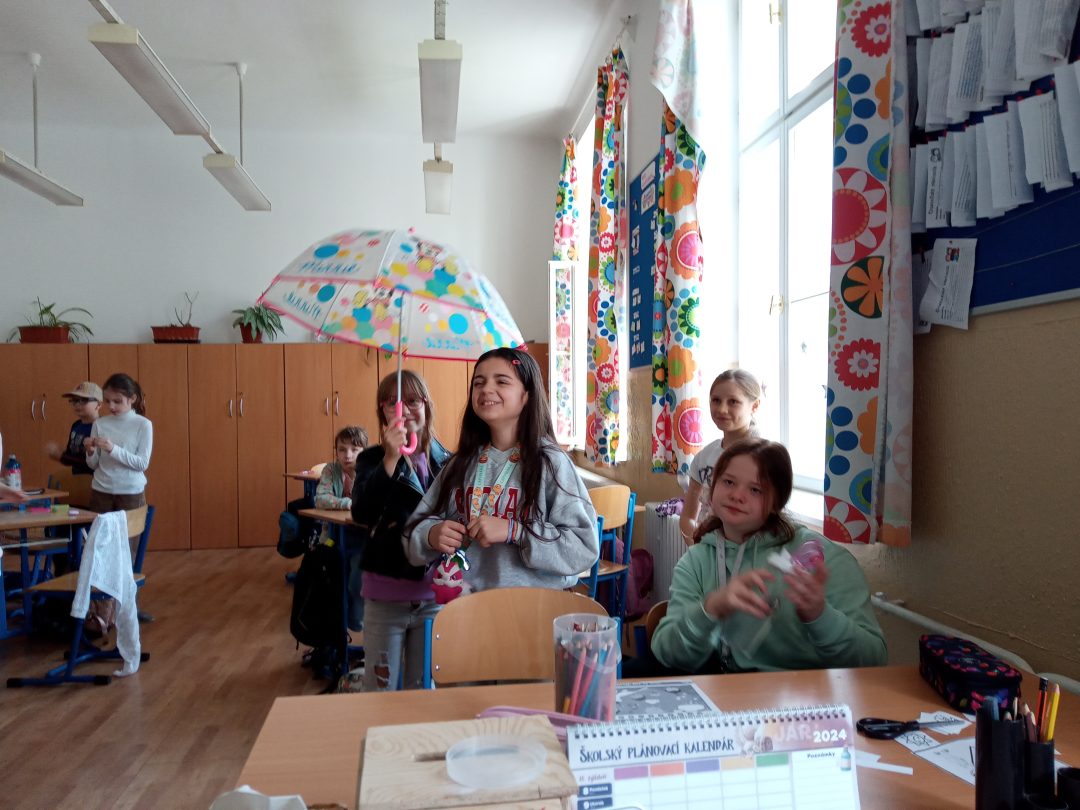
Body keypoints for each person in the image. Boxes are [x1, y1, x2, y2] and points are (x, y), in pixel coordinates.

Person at [652, 438, 886, 674]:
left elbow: (874, 659)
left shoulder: (820, 556)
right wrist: (710, 609)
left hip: (808, 692)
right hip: (728, 689)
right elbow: (668, 653)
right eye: (728, 482)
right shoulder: (696, 561)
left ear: (777, 502)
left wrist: (820, 615)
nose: (737, 495)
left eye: (755, 490)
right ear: (712, 490)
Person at [405, 348, 599, 598]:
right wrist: (431, 535)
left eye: (502, 381)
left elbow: (583, 548)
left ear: (526, 395)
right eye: (479, 383)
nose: (486, 389)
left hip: (534, 607)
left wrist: (516, 532)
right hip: (467, 606)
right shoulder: (460, 464)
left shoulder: (551, 463)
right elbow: (412, 532)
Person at [350, 371, 450, 691]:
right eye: (392, 403)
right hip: (385, 596)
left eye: (412, 401)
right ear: (382, 411)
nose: (403, 410)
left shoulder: (446, 462)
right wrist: (390, 460)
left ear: (426, 406)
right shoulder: (371, 460)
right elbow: (362, 513)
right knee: (380, 690)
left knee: (421, 689)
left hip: (433, 596)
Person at [680, 369, 762, 546]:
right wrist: (698, 549)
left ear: (754, 406)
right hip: (707, 551)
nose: (722, 409)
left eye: (733, 402)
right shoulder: (703, 457)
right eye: (716, 400)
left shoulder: (764, 457)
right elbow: (688, 516)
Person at [314, 425, 368, 634]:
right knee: (333, 580)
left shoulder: (370, 471)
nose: (348, 455)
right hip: (335, 536)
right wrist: (349, 503)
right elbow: (321, 499)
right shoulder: (331, 470)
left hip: (363, 539)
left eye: (355, 449)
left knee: (356, 581)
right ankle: (335, 628)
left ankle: (355, 621)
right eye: (342, 449)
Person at [85, 373, 153, 514]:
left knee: (130, 530)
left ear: (132, 398)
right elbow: (93, 464)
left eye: (117, 401)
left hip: (131, 493)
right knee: (99, 529)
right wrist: (90, 452)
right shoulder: (99, 423)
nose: (111, 406)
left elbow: (142, 464)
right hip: (101, 491)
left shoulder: (143, 424)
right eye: (107, 401)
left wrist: (113, 449)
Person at [44, 380, 102, 507]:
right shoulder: (76, 426)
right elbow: (70, 457)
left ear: (98, 404)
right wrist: (60, 454)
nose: (77, 405)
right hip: (77, 482)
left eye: (83, 401)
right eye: (74, 401)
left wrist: (61, 456)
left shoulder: (101, 428)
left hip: (95, 485)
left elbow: (93, 463)